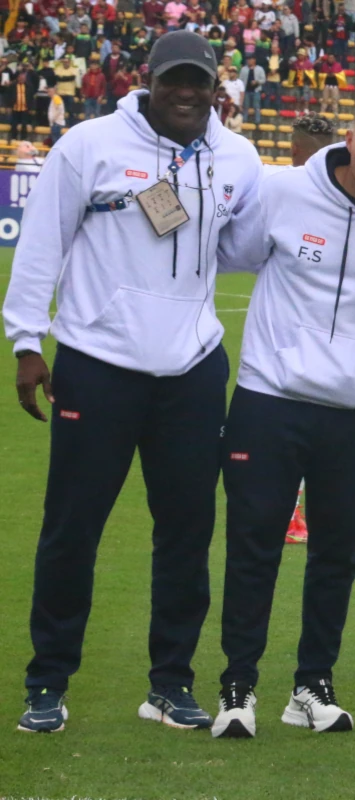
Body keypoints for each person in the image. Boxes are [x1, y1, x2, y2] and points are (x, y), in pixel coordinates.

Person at [7, 30, 263, 735]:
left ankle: (170, 684)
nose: (187, 93)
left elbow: (239, 249)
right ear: (147, 80)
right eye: (173, 80)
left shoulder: (237, 155)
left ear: (217, 88)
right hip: (97, 367)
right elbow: (42, 245)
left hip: (191, 371)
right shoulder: (88, 145)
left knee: (185, 532)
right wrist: (29, 343)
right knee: (72, 530)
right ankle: (47, 681)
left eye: (199, 82)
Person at [211, 93, 355, 741]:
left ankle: (312, 685)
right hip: (268, 400)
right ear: (349, 137)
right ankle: (238, 685)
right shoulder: (284, 192)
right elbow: (230, 254)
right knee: (253, 548)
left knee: (336, 555)